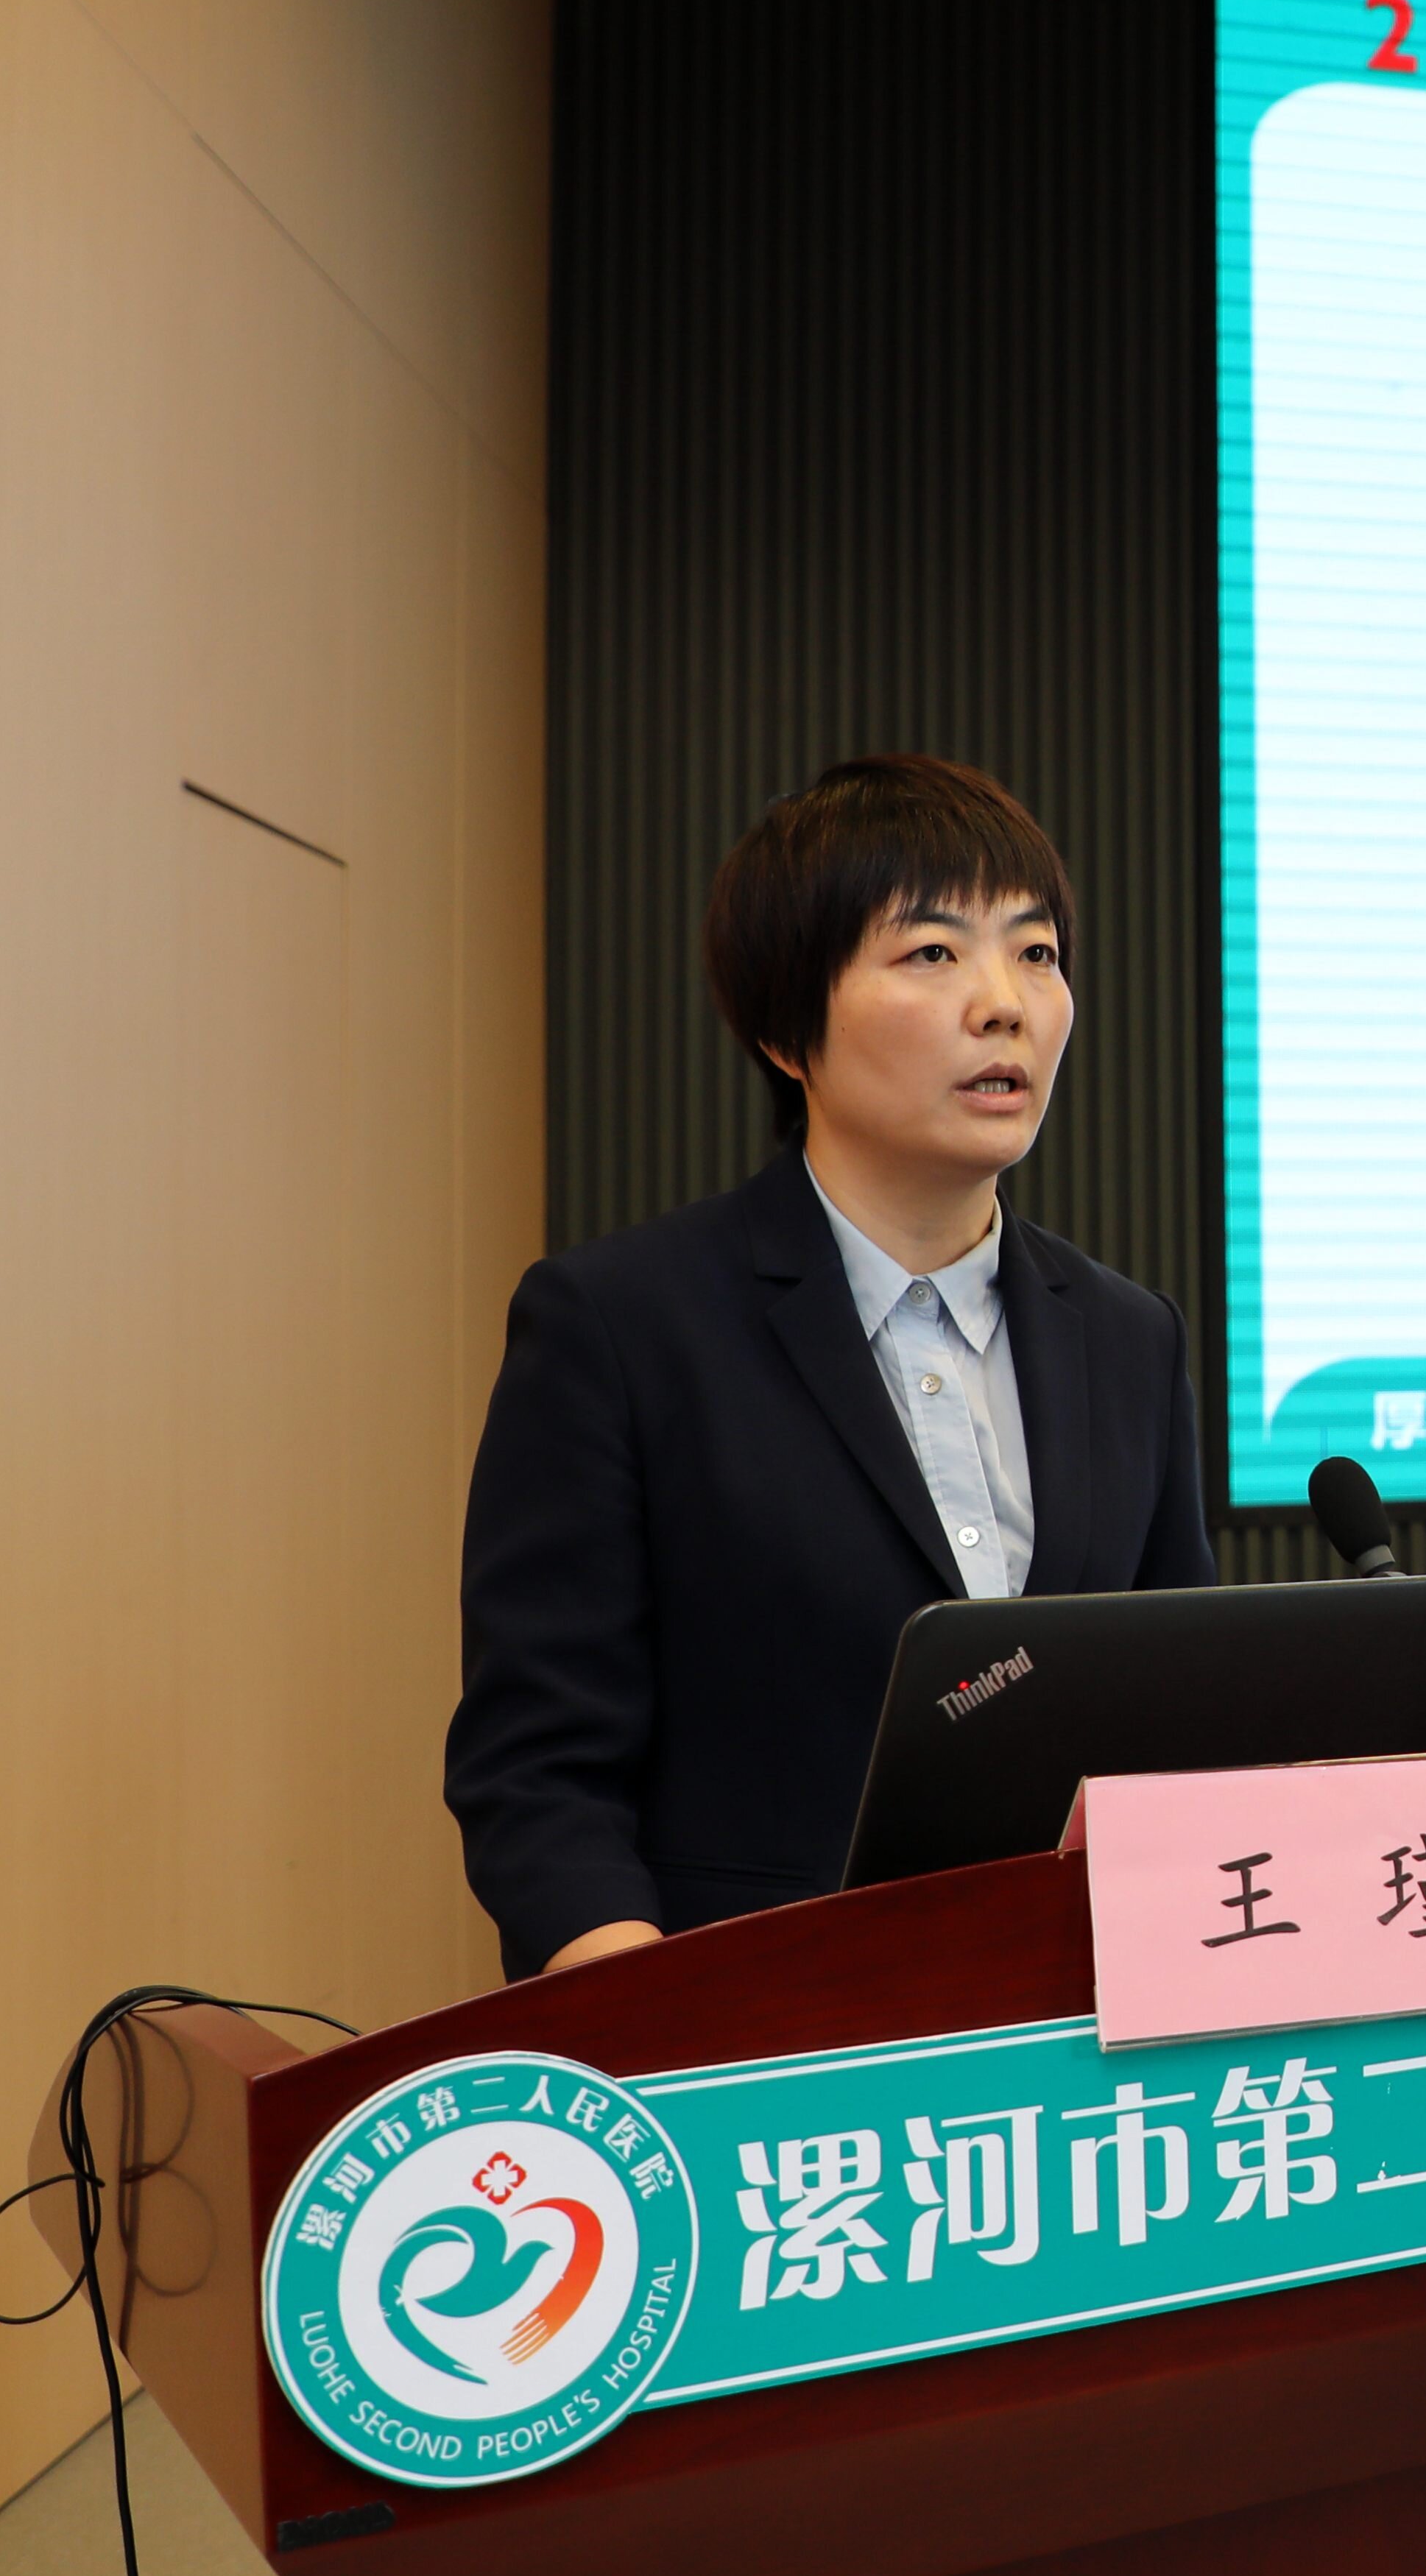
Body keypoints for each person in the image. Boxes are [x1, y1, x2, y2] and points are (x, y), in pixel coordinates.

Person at [445, 756, 1215, 1978]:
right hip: (758, 2036)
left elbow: (1188, 1733)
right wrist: (658, 2019)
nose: (1004, 1004)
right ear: (784, 1029)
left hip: (1080, 2027)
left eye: (1036, 952)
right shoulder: (621, 1325)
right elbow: (537, 1773)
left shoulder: (1129, 1337)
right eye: (932, 953)